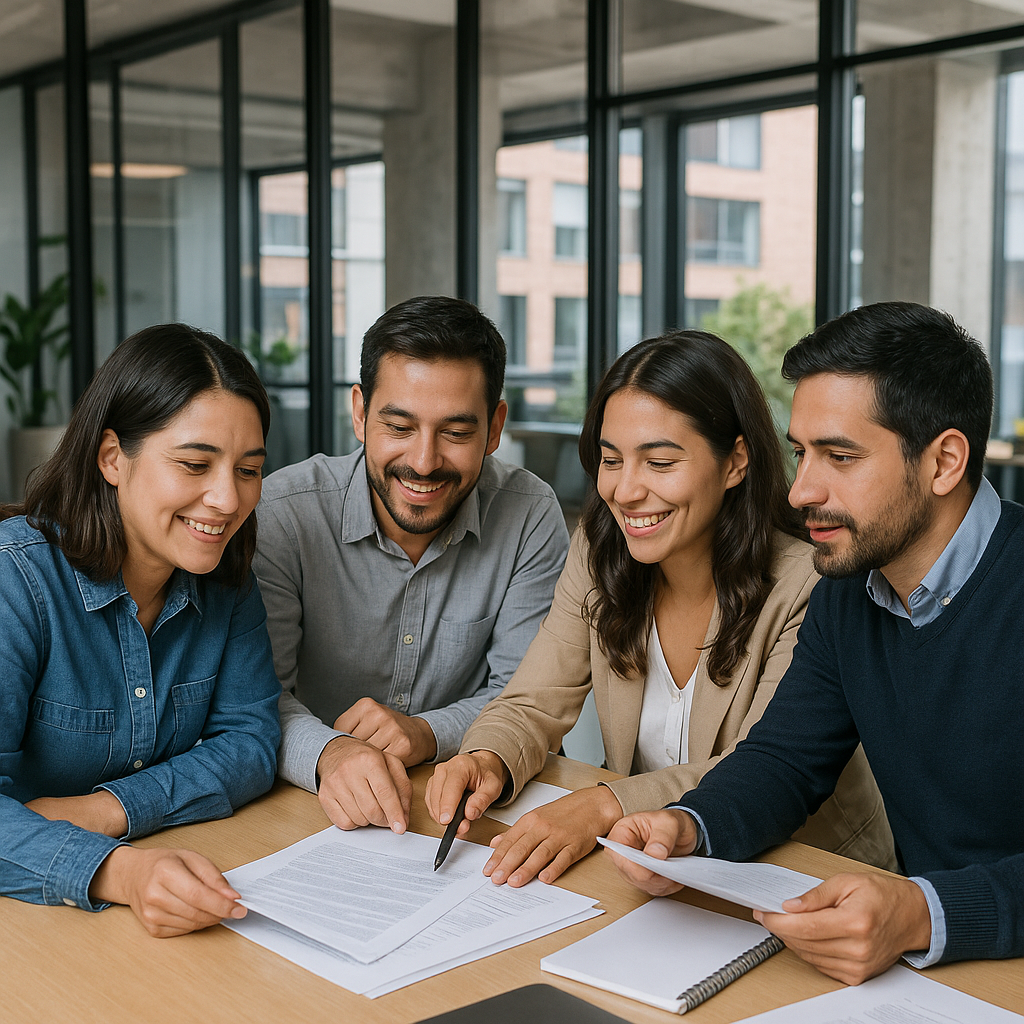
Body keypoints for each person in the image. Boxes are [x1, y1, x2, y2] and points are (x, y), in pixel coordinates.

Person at [606, 301, 1024, 983]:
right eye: (802, 452)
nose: (800, 490)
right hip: (926, 971)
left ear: (945, 461)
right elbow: (786, 760)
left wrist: (925, 911)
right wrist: (689, 824)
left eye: (840, 455)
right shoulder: (849, 585)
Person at [426, 330, 893, 888]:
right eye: (610, 460)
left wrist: (604, 804)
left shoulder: (811, 583)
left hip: (805, 874)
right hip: (658, 867)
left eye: (660, 462)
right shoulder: (601, 553)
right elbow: (533, 701)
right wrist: (486, 759)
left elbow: (764, 769)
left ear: (734, 462)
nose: (624, 491)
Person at [0, 324, 281, 938]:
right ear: (111, 459)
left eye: (249, 470)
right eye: (194, 464)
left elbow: (250, 743)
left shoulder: (227, 580)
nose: (227, 499)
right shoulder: (14, 583)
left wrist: (107, 811)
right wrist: (120, 873)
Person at [255, 295, 569, 835]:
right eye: (399, 428)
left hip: (464, 811)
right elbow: (256, 699)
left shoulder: (530, 516)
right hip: (300, 810)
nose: (423, 463)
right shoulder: (282, 515)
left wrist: (426, 733)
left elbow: (524, 700)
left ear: (495, 428)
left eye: (456, 433)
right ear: (359, 413)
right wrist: (329, 752)